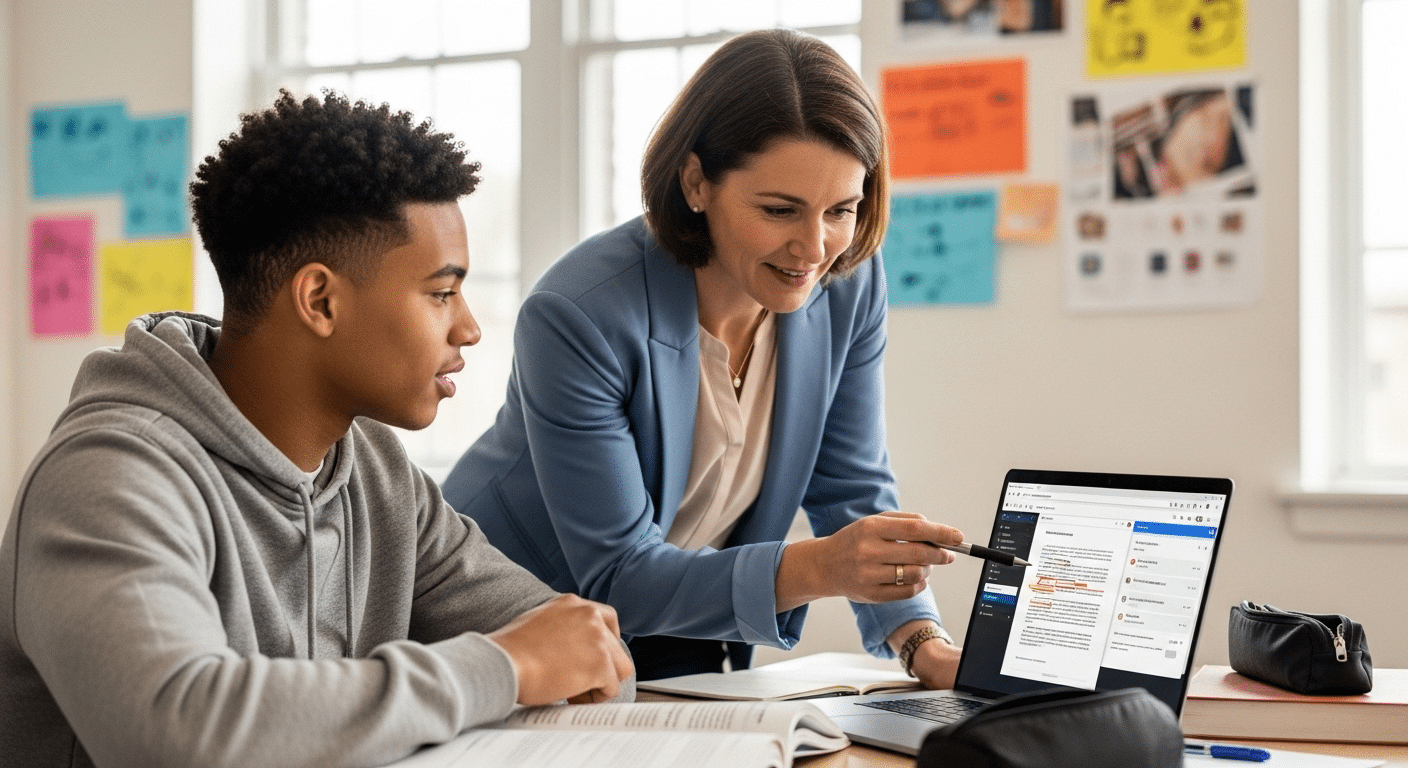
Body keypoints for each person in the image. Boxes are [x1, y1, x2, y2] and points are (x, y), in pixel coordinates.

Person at [0, 91, 633, 768]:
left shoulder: (376, 473)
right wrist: (501, 667)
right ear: (320, 300)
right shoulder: (107, 476)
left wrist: (559, 656)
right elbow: (175, 731)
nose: (469, 328)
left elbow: (578, 653)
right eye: (441, 293)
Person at [441, 29, 966, 687]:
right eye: (780, 209)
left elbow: (851, 488)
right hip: (520, 623)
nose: (815, 248)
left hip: (680, 618)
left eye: (842, 209)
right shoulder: (580, 312)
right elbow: (617, 572)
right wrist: (819, 567)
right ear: (696, 182)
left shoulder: (848, 284)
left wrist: (923, 643)